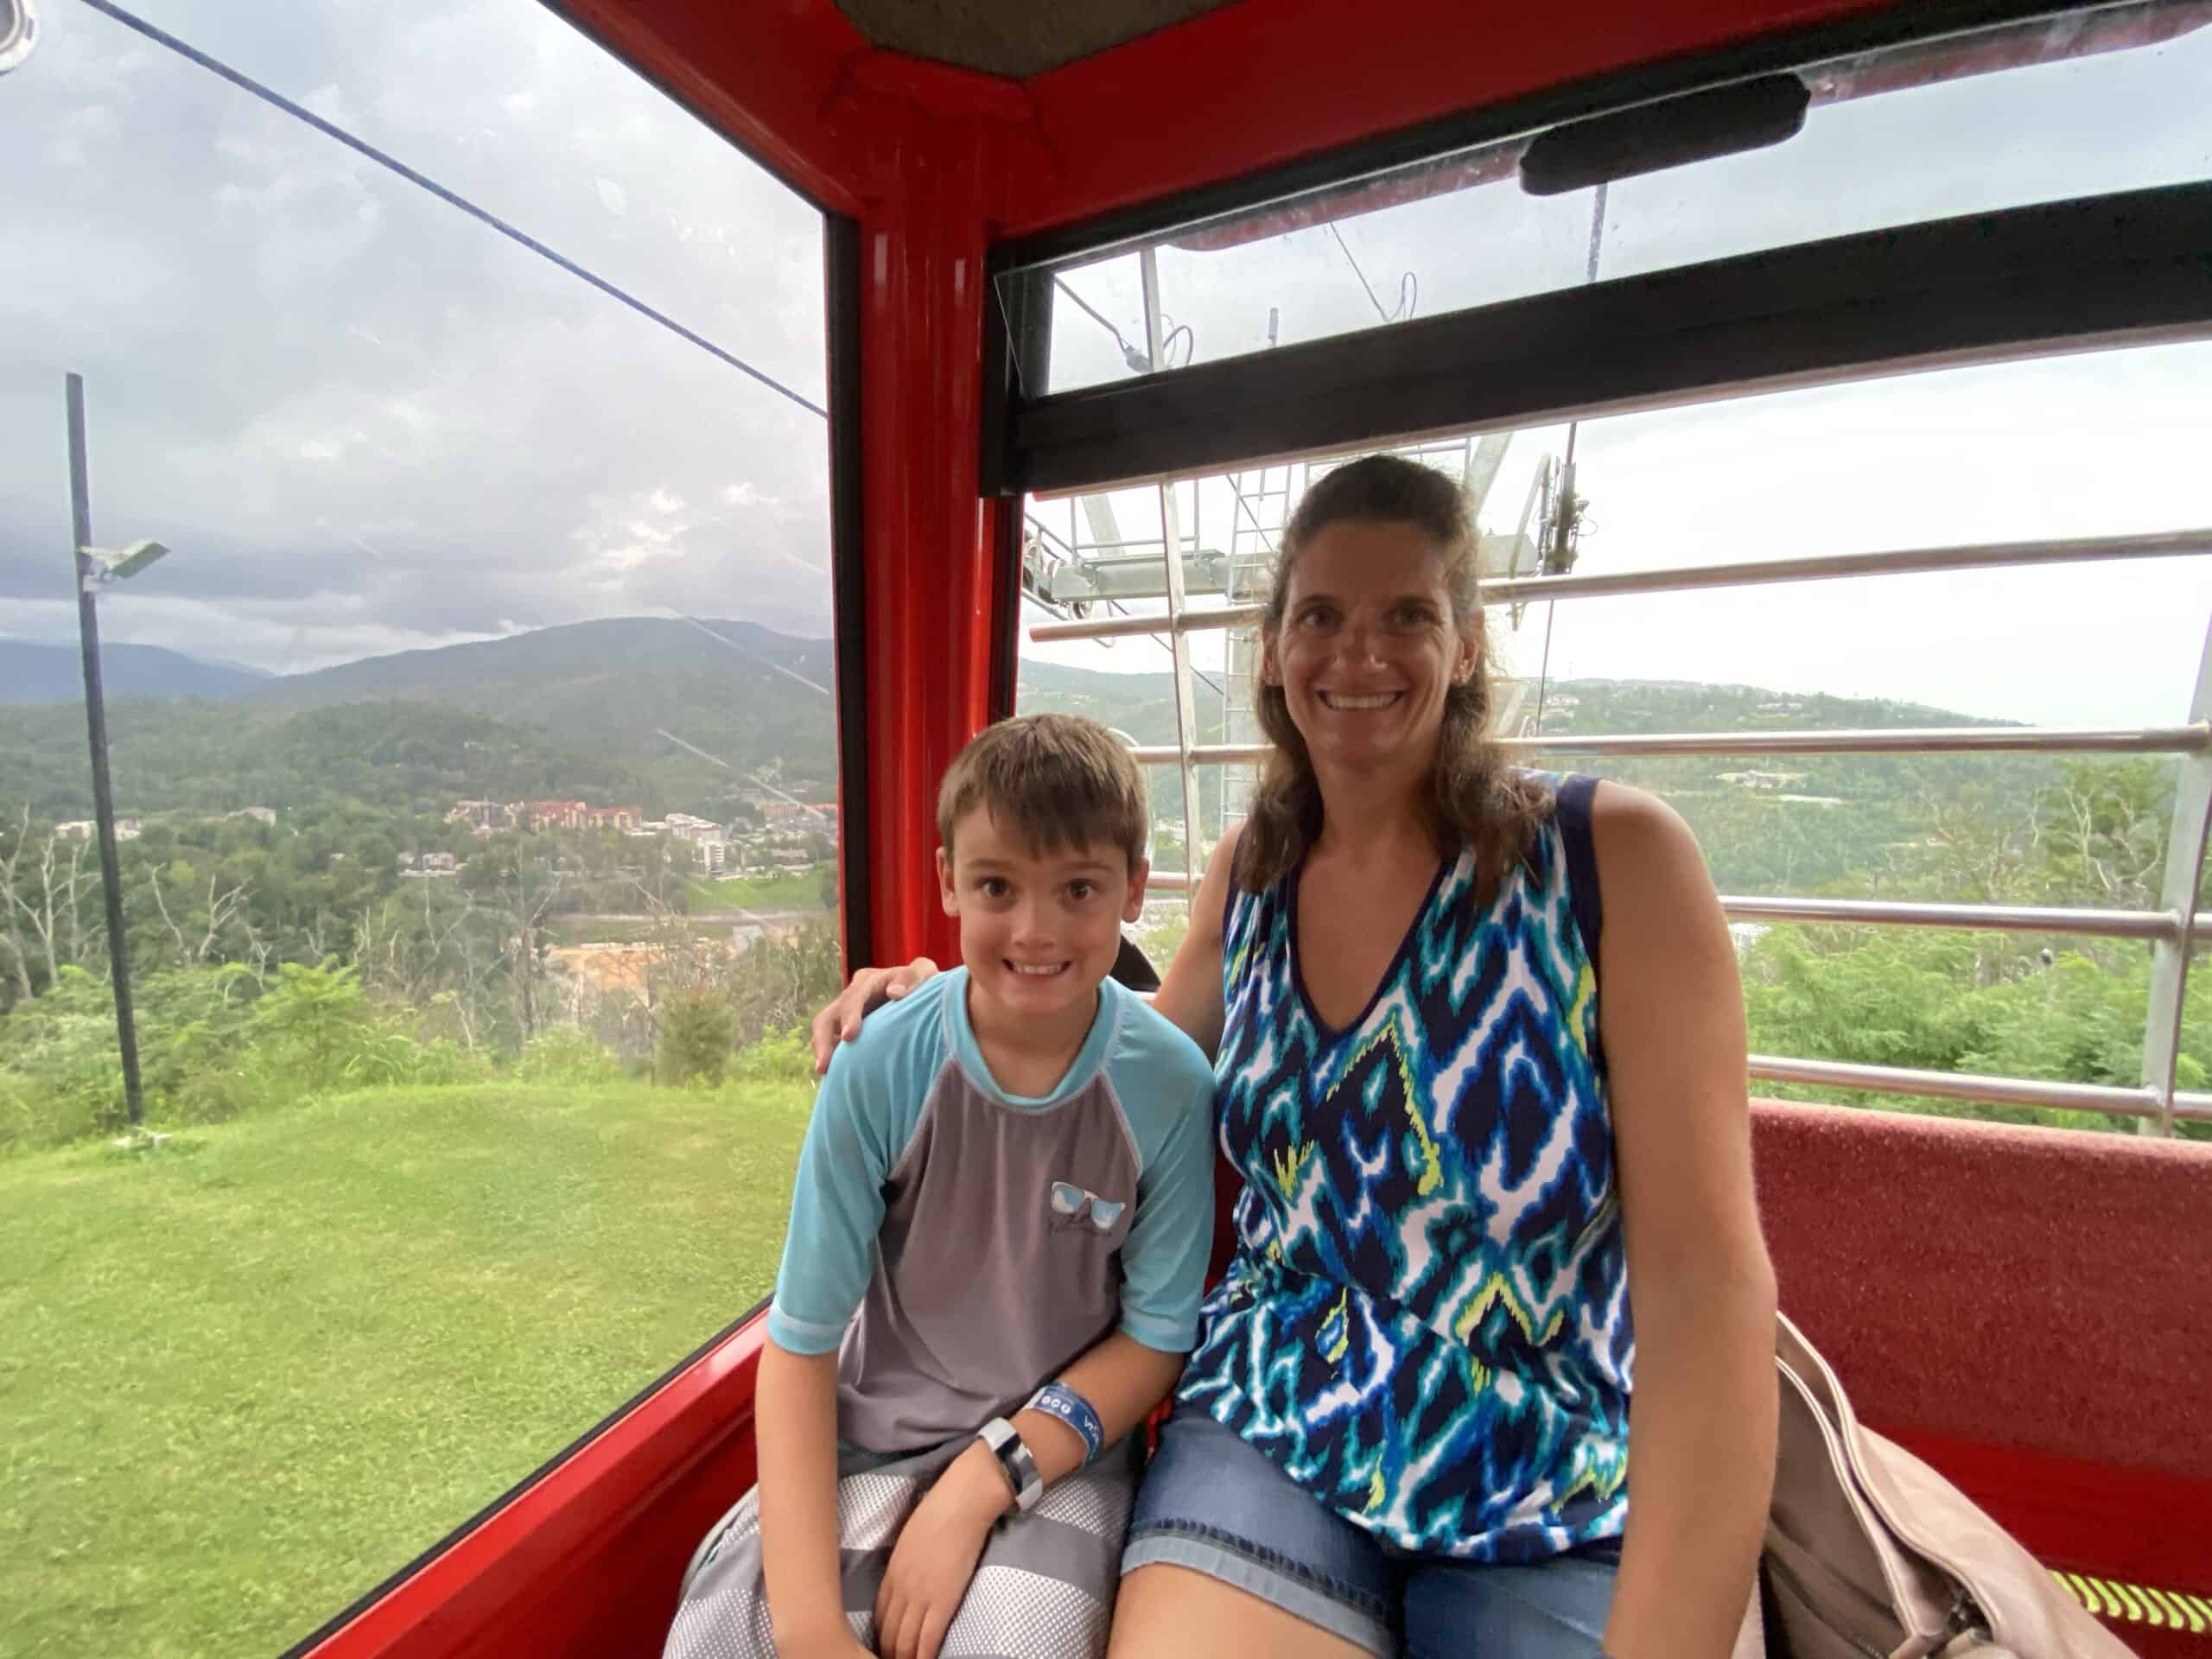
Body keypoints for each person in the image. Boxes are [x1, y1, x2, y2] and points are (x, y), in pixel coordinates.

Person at [812, 454, 1778, 1659]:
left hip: (1544, 1473)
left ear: (1468, 646)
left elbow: (1707, 1290)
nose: (1357, 656)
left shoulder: (1607, 866)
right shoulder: (1255, 877)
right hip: (1280, 1418)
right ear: (1271, 648)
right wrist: (944, 1009)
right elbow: (1115, 1058)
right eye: (1320, 615)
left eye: (1408, 617)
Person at [670, 715, 1217, 1659]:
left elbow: (1155, 1338)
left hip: (1058, 1453)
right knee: (721, 1641)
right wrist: (806, 1631)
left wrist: (987, 1477)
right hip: (872, 1426)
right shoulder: (879, 1065)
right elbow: (799, 1349)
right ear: (946, 883)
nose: (1035, 931)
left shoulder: (1166, 1088)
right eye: (998, 886)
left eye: (1078, 889)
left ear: (1133, 889)